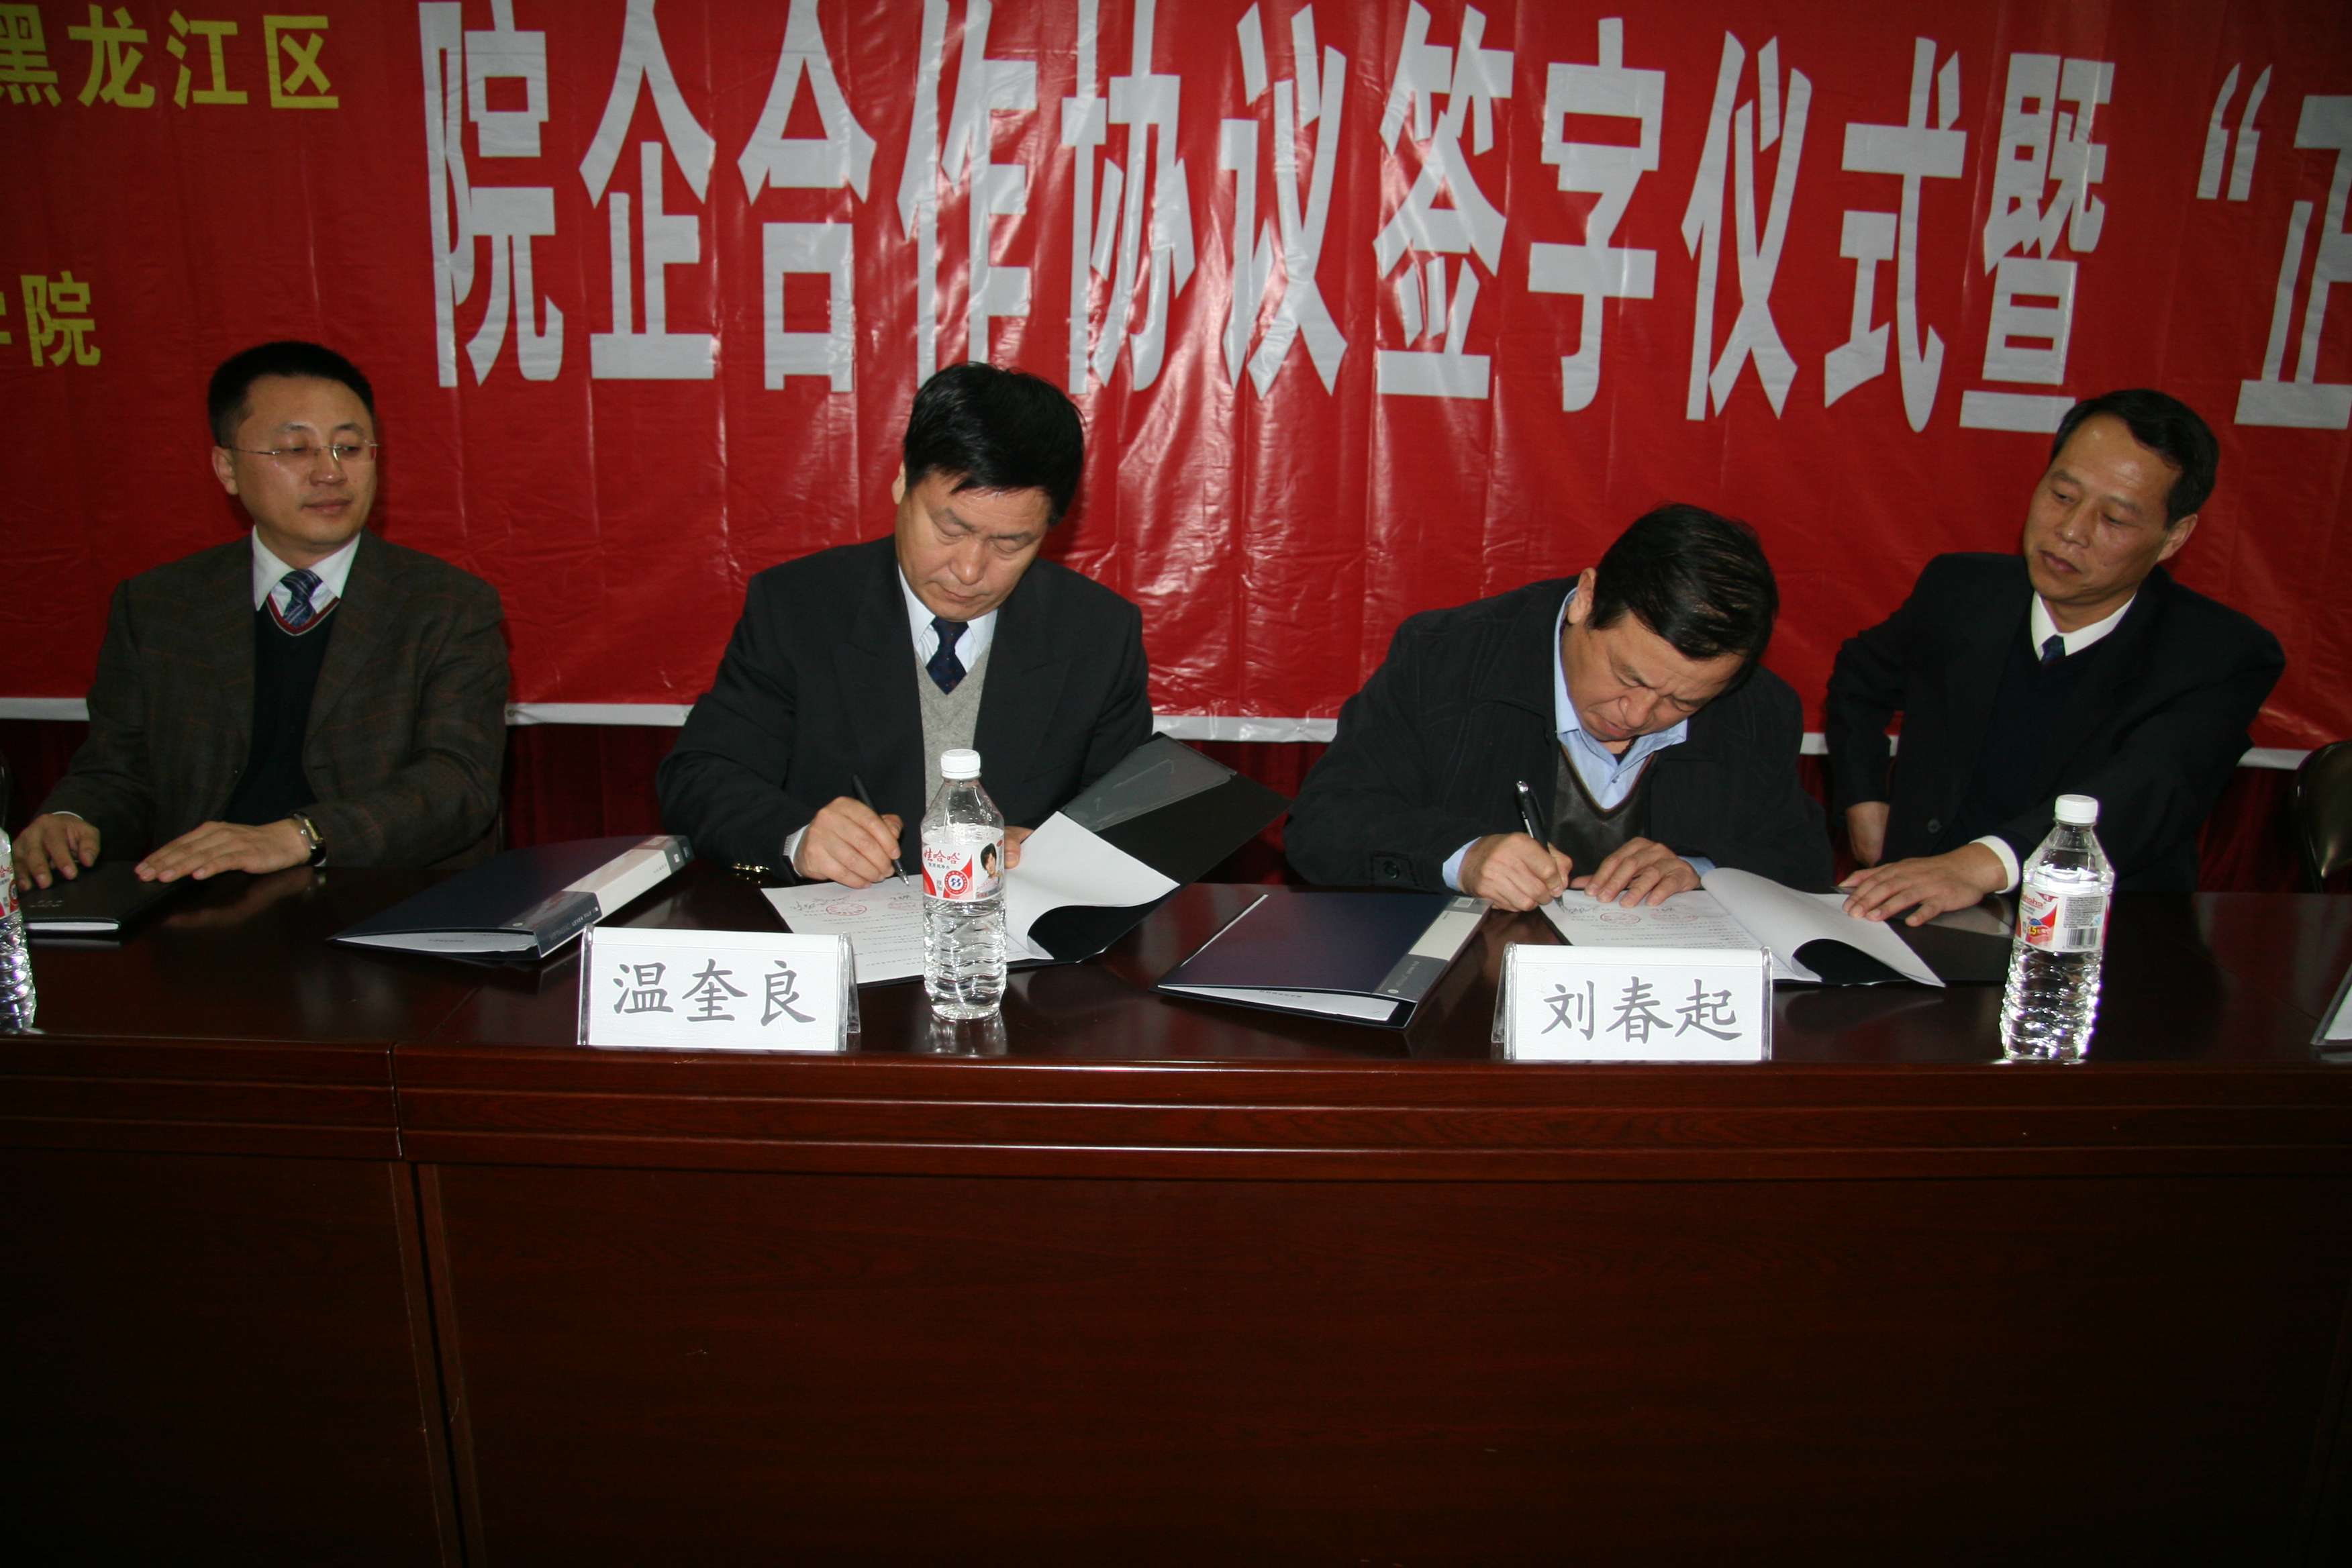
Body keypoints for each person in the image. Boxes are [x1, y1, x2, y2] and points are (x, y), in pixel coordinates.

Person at [12, 342, 508, 890]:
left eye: (349, 448)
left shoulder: (448, 605)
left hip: (377, 899)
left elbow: (458, 784)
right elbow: (118, 771)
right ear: (227, 468)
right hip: (197, 902)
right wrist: (72, 817)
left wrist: (303, 836)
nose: (330, 473)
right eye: (295, 449)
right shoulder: (158, 605)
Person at [658, 361, 1151, 884]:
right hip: (841, 925)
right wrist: (799, 838)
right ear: (901, 481)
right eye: (949, 529)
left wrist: (1059, 852)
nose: (969, 570)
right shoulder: (799, 608)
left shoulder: (1098, 634)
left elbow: (1134, 816)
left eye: (1010, 544)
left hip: (1008, 932)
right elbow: (699, 777)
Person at [1829, 389, 2284, 924]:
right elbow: (1859, 678)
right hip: (1921, 915)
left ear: (2173, 536)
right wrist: (1863, 797)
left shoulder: (2217, 655)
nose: (2070, 531)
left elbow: (2148, 786)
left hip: (2101, 934)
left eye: (2114, 518)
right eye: (2063, 495)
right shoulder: (1960, 591)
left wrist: (1981, 864)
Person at [1285, 505, 1830, 910]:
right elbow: (1326, 823)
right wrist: (1463, 856)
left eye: (1683, 701)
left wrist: (1702, 871)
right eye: (1628, 677)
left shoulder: (1757, 708)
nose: (1638, 715)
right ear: (1587, 599)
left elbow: (1803, 860)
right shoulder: (1448, 659)